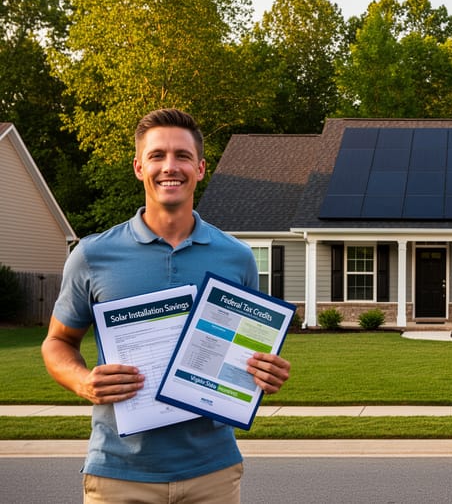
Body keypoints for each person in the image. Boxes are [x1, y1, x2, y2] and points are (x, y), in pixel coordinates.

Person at [42, 108, 291, 503]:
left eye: (182, 156)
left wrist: (264, 373)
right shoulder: (92, 255)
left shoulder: (238, 257)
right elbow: (57, 342)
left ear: (201, 168)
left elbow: (244, 354)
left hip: (212, 472)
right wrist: (82, 381)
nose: (169, 167)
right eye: (157, 155)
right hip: (119, 472)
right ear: (139, 166)